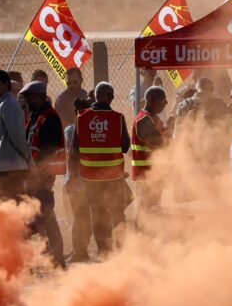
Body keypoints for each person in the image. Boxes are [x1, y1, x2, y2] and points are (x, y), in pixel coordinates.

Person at [70, 82, 131, 256]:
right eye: (111, 96)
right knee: (118, 212)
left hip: (90, 176)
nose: (112, 99)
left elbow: (74, 149)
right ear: (107, 96)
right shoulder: (118, 117)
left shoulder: (81, 117)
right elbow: (125, 146)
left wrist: (74, 177)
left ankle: (104, 251)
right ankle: (123, 250)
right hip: (113, 176)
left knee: (98, 212)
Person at [21, 81, 66, 268]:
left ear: (39, 97)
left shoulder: (48, 117)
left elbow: (47, 151)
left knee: (45, 217)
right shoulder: (36, 116)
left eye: (30, 98)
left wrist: (37, 174)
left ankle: (57, 260)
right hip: (34, 176)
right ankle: (50, 259)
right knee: (41, 218)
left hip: (42, 177)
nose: (27, 102)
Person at [0, 70, 30, 199]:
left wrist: (27, 157)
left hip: (12, 169)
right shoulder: (1, 104)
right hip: (4, 168)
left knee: (12, 208)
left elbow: (17, 137)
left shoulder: (9, 104)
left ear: (6, 84)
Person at [132, 86, 169, 217]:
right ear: (151, 100)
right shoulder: (144, 119)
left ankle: (147, 236)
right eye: (162, 100)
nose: (166, 103)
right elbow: (157, 144)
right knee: (145, 212)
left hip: (152, 175)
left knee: (151, 211)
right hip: (146, 176)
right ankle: (140, 237)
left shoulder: (152, 118)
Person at [64, 97, 92, 262]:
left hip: (77, 179)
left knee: (81, 216)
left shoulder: (71, 129)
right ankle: (79, 251)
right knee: (81, 216)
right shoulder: (74, 129)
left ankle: (81, 250)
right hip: (78, 179)